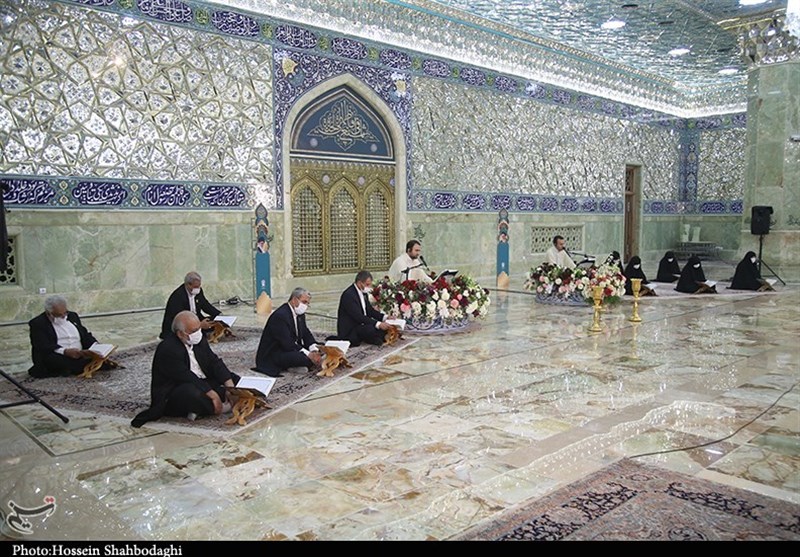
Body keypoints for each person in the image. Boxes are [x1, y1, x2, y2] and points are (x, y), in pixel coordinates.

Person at [131, 311, 240, 428]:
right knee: (193, 394)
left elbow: (213, 361)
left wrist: (230, 386)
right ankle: (217, 406)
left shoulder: (198, 340)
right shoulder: (168, 349)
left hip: (201, 380)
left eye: (199, 329)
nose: (198, 333)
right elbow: (186, 376)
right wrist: (213, 395)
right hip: (177, 388)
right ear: (180, 334)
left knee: (233, 379)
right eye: (194, 331)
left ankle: (205, 406)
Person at [253, 287, 321, 377]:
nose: (305, 306)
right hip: (276, 352)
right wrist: (309, 355)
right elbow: (287, 344)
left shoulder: (300, 314)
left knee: (321, 349)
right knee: (302, 358)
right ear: (294, 300)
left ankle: (297, 364)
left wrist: (314, 350)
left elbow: (306, 333)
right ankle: (291, 365)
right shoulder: (280, 316)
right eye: (304, 302)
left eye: (307, 303)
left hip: (291, 348)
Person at [28, 295, 101, 378]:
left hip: (80, 353)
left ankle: (84, 364)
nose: (63, 316)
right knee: (56, 360)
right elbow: (42, 345)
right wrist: (65, 351)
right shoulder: (38, 323)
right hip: (58, 354)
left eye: (65, 313)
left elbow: (84, 334)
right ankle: (81, 366)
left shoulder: (72, 316)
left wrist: (96, 346)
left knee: (99, 357)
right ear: (49, 313)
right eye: (59, 315)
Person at [160, 271, 221, 339]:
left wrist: (219, 315)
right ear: (188, 285)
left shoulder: (198, 291)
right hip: (181, 324)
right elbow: (180, 319)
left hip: (196, 319)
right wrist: (200, 325)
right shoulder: (178, 296)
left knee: (215, 321)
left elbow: (205, 305)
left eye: (199, 286)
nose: (198, 288)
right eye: (196, 287)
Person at [337, 271, 391, 347]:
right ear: (359, 283)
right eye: (367, 284)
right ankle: (373, 338)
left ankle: (374, 338)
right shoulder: (348, 295)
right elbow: (358, 317)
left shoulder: (363, 293)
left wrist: (385, 317)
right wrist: (378, 324)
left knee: (383, 329)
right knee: (371, 329)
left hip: (362, 326)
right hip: (351, 330)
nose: (369, 287)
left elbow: (370, 311)